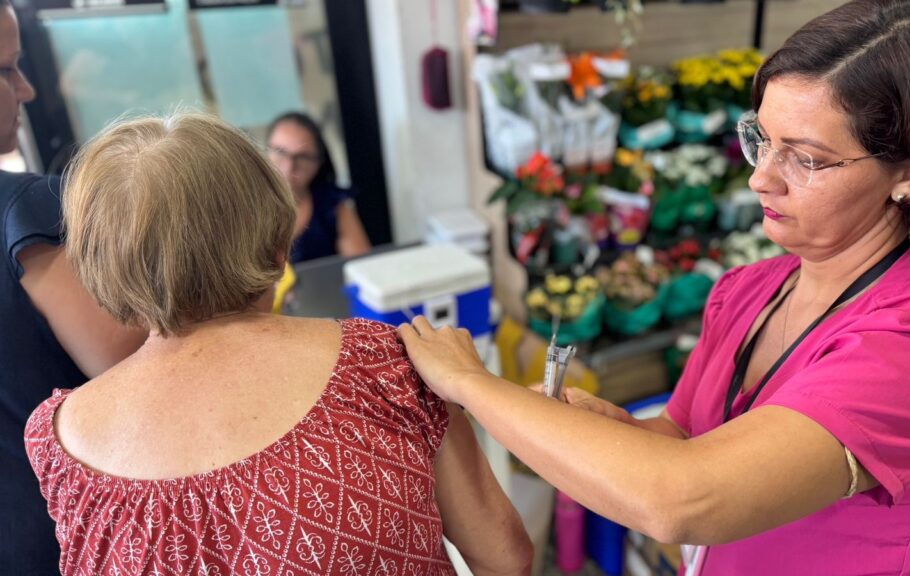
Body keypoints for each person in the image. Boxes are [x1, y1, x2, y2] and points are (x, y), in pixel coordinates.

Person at [397, 1, 910, 574]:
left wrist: (470, 384)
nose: (760, 181)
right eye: (763, 142)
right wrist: (600, 429)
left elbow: (682, 498)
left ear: (909, 172)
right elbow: (683, 441)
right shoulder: (749, 291)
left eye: (804, 158)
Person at [23, 112, 531, 575]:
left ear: (94, 262)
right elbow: (504, 558)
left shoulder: (57, 440)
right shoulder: (381, 364)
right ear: (276, 238)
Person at [0, 2, 145, 574]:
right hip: (62, 538)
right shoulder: (23, 210)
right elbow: (140, 367)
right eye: (8, 70)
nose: (28, 90)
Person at [266, 111, 371, 262]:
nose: (289, 167)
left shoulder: (332, 206)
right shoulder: (244, 208)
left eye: (302, 157)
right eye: (280, 152)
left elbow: (362, 268)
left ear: (318, 163)